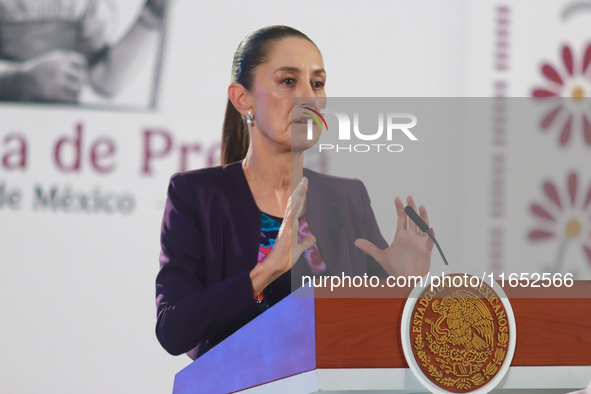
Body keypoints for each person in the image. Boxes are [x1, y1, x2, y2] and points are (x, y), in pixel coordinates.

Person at [155, 25, 435, 360]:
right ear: (241, 98)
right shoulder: (197, 195)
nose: (309, 98)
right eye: (289, 81)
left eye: (317, 83)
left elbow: (376, 337)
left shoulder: (347, 197)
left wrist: (406, 285)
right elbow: (174, 329)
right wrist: (269, 268)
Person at [0, 0, 168, 103]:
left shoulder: (88, 7)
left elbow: (104, 81)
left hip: (62, 134)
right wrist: (19, 78)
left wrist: (152, 16)